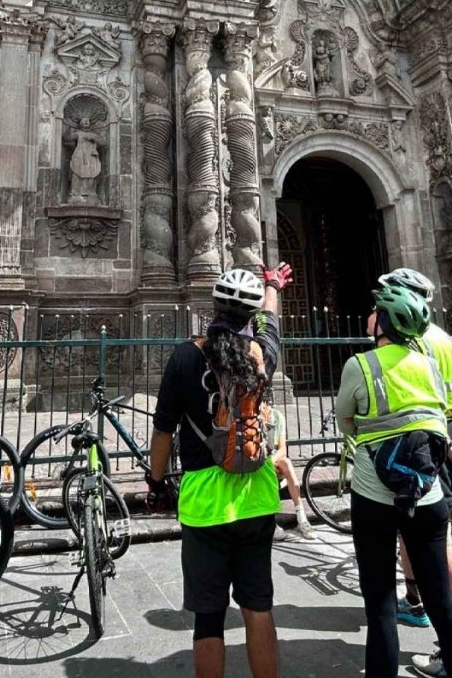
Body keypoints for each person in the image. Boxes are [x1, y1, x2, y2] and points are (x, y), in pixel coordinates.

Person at [147, 263, 293, 678]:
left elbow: (162, 434)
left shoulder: (185, 356)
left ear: (212, 307)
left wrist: (156, 484)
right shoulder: (263, 353)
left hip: (204, 504)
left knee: (209, 618)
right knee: (258, 608)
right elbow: (273, 321)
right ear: (251, 316)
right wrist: (272, 285)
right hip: (258, 495)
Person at [337, 284, 452, 678]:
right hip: (427, 491)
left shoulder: (360, 365)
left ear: (383, 321)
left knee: (380, 600)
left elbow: (345, 420)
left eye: (375, 310)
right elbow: (443, 412)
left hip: (373, 494)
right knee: (442, 601)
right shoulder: (431, 366)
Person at [371, 269, 452, 674]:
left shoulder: (412, 341)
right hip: (447, 442)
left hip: (424, 449)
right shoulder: (443, 338)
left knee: (438, 545)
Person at [266, 404, 316, 541]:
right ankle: (271, 522)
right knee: (266, 472)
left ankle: (302, 517)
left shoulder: (277, 416)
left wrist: (271, 462)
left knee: (287, 463)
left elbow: (282, 449)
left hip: (273, 459)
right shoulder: (253, 417)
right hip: (259, 461)